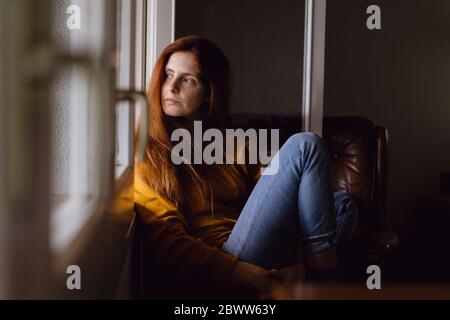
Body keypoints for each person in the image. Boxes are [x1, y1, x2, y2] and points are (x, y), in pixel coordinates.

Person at [134, 35, 359, 299]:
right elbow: (167, 241)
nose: (171, 88)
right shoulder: (147, 151)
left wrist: (296, 266)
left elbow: (275, 203)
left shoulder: (232, 145)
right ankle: (327, 282)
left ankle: (300, 271)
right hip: (227, 261)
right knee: (305, 146)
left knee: (343, 206)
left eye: (187, 79)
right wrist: (250, 275)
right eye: (168, 75)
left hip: (258, 245)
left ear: (208, 93)